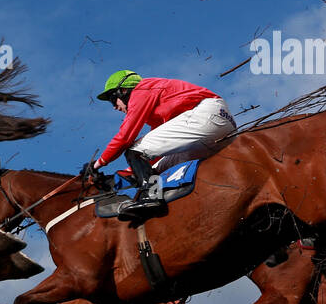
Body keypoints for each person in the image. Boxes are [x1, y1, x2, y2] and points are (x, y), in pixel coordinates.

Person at [82, 70, 236, 221]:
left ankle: (151, 197)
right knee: (156, 170)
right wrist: (122, 175)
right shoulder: (157, 110)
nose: (114, 107)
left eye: (112, 99)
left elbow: (125, 137)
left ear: (123, 91)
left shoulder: (140, 90)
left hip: (206, 116)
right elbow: (157, 151)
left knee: (133, 150)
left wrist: (97, 164)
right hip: (223, 127)